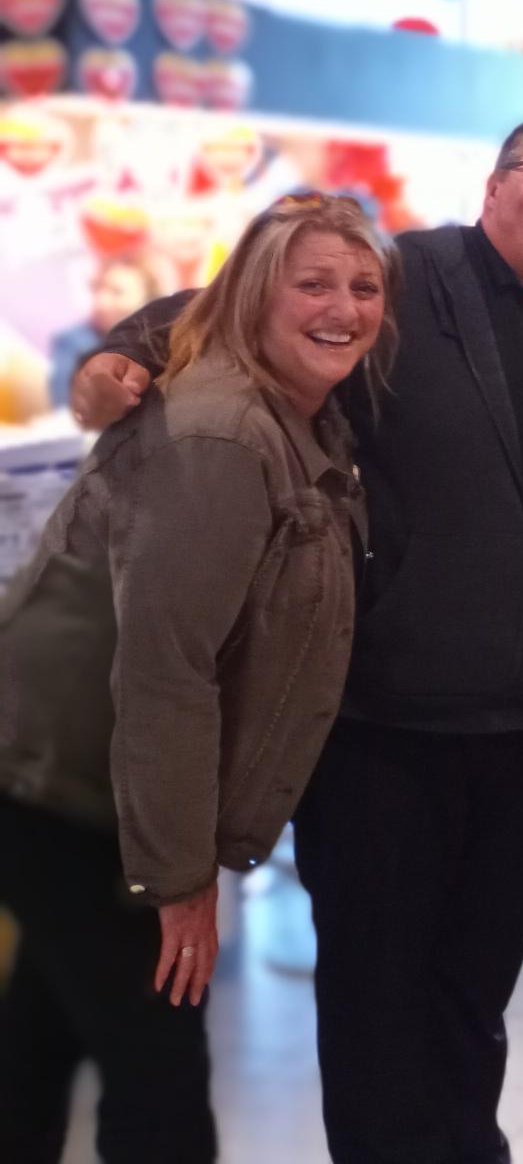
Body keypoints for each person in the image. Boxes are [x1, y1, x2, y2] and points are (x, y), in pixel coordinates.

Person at [71, 114, 523, 1164]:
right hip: (380, 729)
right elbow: (230, 306)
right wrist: (121, 355)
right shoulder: (405, 276)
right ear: (495, 185)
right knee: (379, 1008)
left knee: (474, 997)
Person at [0, 193, 391, 1163]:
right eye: (312, 284)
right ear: (255, 296)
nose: (343, 308)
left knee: (42, 1038)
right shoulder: (221, 435)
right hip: (68, 786)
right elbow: (166, 672)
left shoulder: (299, 408)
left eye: (364, 286)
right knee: (159, 1082)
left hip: (83, 779)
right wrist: (178, 880)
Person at [46, 252, 167, 413]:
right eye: (97, 289)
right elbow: (67, 409)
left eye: (117, 292)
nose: (102, 302)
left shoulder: (166, 341)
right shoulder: (72, 342)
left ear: (148, 300)